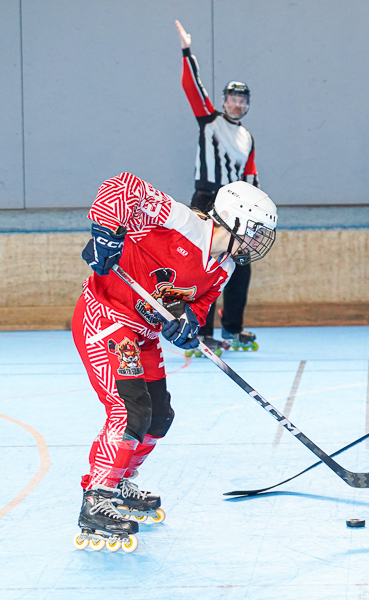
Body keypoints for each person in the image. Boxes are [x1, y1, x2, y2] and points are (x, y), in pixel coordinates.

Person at [73, 172, 277, 551]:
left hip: (143, 336)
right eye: (254, 230)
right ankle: (96, 497)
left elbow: (196, 307)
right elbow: (121, 186)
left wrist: (188, 325)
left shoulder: (225, 267)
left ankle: (119, 481)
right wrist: (106, 233)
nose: (255, 241)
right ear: (233, 219)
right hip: (107, 317)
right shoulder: (179, 220)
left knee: (160, 416)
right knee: (129, 410)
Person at [176, 19, 261, 354]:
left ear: (247, 104)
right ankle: (200, 331)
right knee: (206, 267)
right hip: (207, 199)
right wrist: (187, 50)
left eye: (242, 99)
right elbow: (192, 87)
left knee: (241, 265)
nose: (236, 103)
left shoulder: (247, 137)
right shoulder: (210, 121)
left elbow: (252, 176)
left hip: (236, 206)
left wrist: (255, 215)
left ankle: (232, 328)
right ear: (224, 100)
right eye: (232, 98)